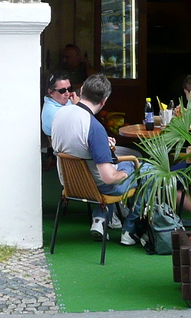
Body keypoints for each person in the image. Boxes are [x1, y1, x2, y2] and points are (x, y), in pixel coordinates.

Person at [49, 74, 143, 245]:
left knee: (119, 163)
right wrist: (126, 171)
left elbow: (75, 142)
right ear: (104, 101)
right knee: (143, 168)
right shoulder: (94, 127)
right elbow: (109, 178)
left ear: (82, 90)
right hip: (97, 187)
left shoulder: (59, 114)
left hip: (70, 183)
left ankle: (100, 220)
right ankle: (130, 230)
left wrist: (101, 146)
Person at [41, 72, 76, 137]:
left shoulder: (60, 101)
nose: (67, 93)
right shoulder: (53, 112)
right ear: (51, 92)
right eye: (62, 91)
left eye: (69, 89)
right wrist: (79, 106)